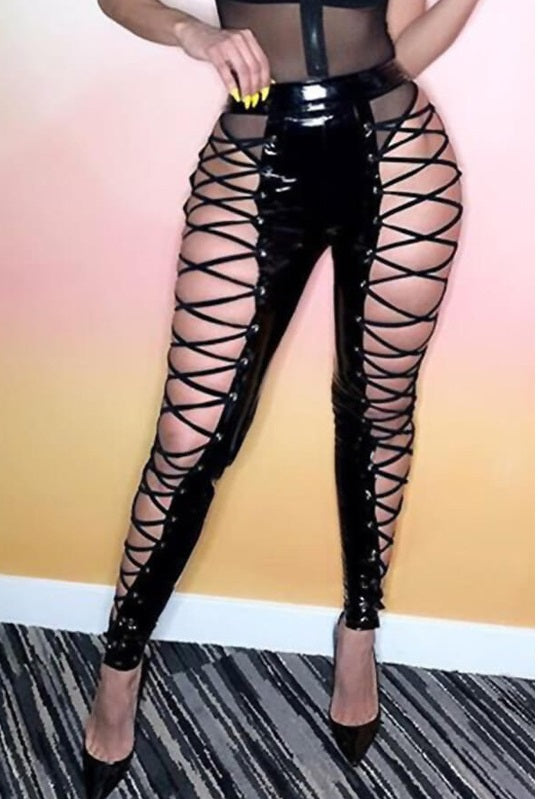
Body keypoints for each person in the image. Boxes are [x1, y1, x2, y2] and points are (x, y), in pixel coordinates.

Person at [82, 0, 480, 795]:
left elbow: (402, 39)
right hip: (254, 150)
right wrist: (193, 32)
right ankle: (121, 662)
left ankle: (359, 627)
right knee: (189, 437)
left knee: (379, 410)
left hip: (400, 155)